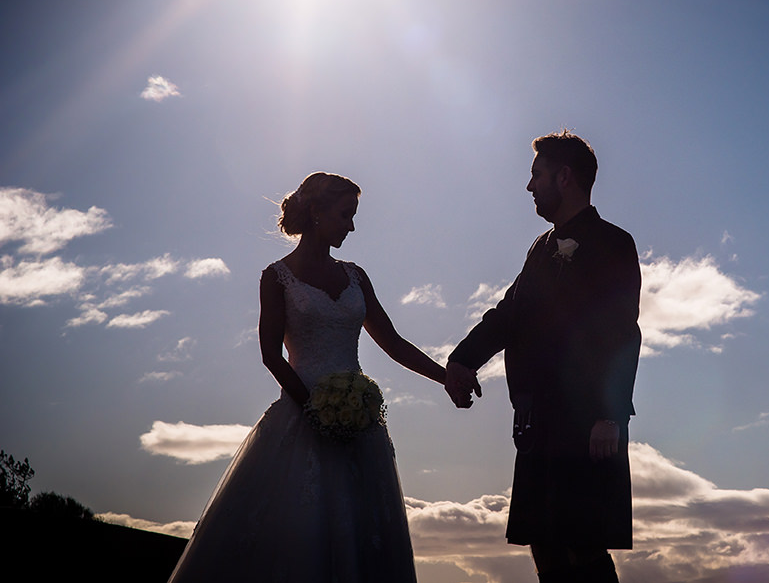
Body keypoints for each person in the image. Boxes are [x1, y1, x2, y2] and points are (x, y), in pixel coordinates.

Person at [169, 172, 444, 583]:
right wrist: (315, 409)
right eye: (345, 214)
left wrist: (446, 377)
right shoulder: (276, 276)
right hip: (301, 419)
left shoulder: (356, 276)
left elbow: (393, 342)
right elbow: (271, 355)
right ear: (316, 211)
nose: (351, 225)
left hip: (360, 431)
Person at [445, 131, 642, 583]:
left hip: (588, 422)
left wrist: (608, 415)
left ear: (565, 177)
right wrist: (463, 359)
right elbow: (510, 314)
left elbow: (621, 333)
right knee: (546, 546)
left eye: (536, 174)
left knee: (583, 546)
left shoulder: (613, 243)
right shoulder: (540, 248)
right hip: (537, 420)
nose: (529, 185)